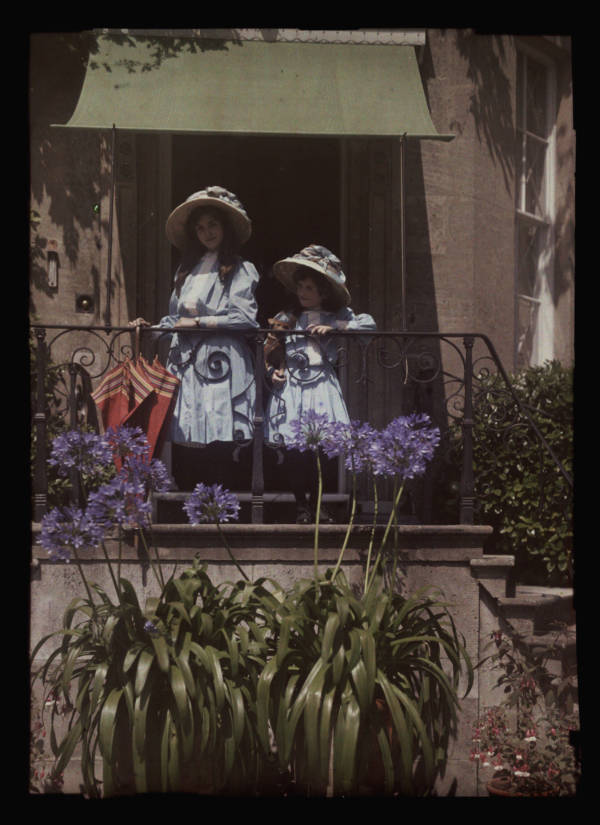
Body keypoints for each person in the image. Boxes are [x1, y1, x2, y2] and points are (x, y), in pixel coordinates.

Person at [130, 186, 259, 489]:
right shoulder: (186, 271)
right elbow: (176, 319)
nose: (207, 232)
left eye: (213, 224)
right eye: (200, 228)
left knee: (219, 429)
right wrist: (151, 327)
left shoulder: (241, 269)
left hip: (221, 360)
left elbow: (245, 319)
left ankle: (221, 505)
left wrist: (199, 321)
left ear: (225, 228)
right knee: (191, 431)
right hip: (187, 361)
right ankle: (195, 503)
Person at [264, 244, 376, 523]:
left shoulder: (337, 316)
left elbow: (369, 327)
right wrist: (271, 370)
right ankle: (301, 504)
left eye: (309, 288)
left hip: (319, 385)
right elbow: (267, 350)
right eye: (300, 286)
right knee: (294, 450)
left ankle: (318, 504)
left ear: (323, 292)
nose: (302, 292)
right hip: (292, 386)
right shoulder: (287, 318)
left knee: (320, 449)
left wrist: (337, 328)